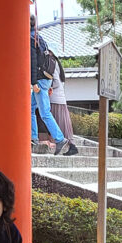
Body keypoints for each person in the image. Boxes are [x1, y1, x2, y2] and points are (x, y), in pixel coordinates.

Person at [30, 15, 72, 156]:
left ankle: (60, 139)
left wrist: (33, 82)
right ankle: (33, 137)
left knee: (44, 112)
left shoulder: (31, 39)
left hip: (40, 79)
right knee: (31, 108)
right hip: (45, 78)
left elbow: (33, 62)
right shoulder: (39, 38)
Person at [45, 58, 78, 155]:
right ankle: (71, 146)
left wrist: (46, 85)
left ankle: (70, 145)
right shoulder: (56, 63)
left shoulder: (51, 62)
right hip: (60, 98)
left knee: (59, 124)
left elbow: (55, 82)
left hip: (54, 98)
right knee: (64, 124)